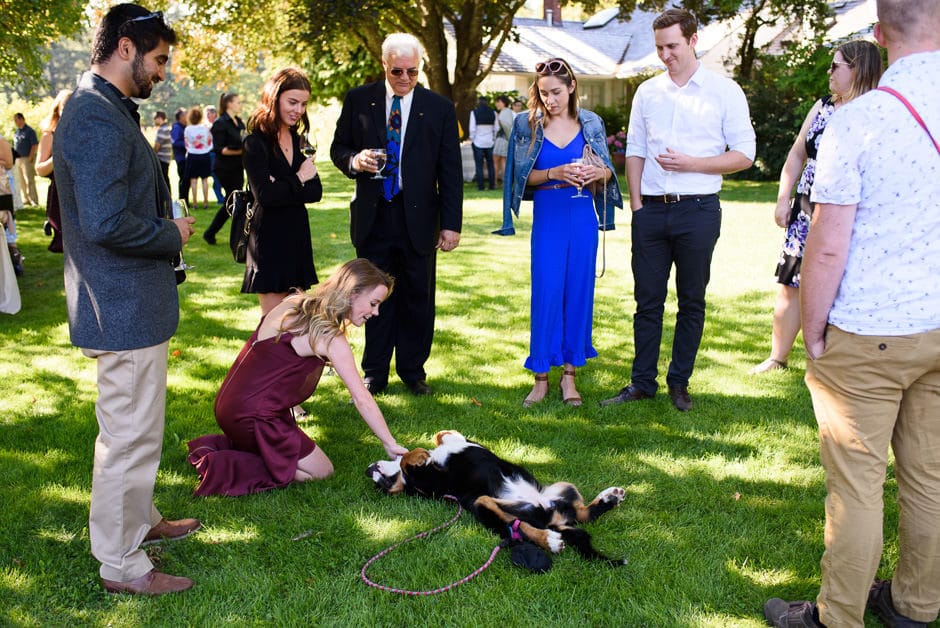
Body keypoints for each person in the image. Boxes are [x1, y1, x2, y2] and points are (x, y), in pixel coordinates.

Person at [763, 1, 940, 626]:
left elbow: (828, 241)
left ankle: (836, 617)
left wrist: (811, 327)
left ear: (881, 34)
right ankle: (915, 606)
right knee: (929, 478)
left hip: (870, 327)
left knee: (858, 486)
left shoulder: (858, 119)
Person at [53, 4, 199, 596]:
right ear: (125, 48)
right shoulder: (92, 114)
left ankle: (139, 521)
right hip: (120, 308)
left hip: (134, 304)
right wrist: (173, 233)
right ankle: (121, 564)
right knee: (127, 438)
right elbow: (107, 221)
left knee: (142, 432)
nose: (162, 71)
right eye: (159, 58)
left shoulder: (106, 108)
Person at [600, 8, 755, 412]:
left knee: (692, 300)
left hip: (699, 210)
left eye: (671, 46)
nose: (665, 55)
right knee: (646, 301)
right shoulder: (648, 92)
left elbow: (745, 155)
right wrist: (636, 205)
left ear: (692, 40)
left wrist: (694, 164)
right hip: (650, 211)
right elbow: (633, 150)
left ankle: (679, 382)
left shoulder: (724, 91)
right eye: (659, 47)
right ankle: (641, 383)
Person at [187, 258, 410, 496]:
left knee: (301, 459)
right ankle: (222, 466)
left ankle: (252, 450)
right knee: (321, 472)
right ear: (353, 292)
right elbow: (361, 398)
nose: (376, 313)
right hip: (255, 417)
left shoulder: (293, 302)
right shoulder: (330, 336)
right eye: (374, 303)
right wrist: (389, 442)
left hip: (228, 405)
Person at [330, 32, 463, 397]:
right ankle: (375, 372)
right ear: (384, 66)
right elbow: (338, 148)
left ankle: (412, 370)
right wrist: (354, 160)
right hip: (375, 217)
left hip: (419, 219)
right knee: (373, 298)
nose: (405, 79)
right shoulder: (359, 100)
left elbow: (450, 171)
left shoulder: (438, 108)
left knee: (418, 297)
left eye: (412, 72)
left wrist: (451, 225)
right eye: (397, 72)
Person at [750, 41, 882, 375]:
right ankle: (777, 357)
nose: (829, 71)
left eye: (836, 66)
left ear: (858, 69)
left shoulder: (877, 112)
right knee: (791, 281)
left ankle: (834, 360)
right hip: (808, 207)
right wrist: (784, 198)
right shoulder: (823, 106)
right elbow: (797, 154)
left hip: (851, 211)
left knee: (839, 283)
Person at [502, 58, 622, 407]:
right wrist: (555, 172)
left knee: (579, 294)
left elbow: (607, 173)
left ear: (572, 88)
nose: (550, 99)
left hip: (582, 215)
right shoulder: (529, 126)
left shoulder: (592, 123)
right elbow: (519, 180)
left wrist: (596, 174)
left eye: (556, 92)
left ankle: (570, 377)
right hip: (549, 217)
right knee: (547, 292)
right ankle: (540, 377)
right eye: (544, 93)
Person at [242, 68, 322, 315]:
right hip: (269, 239)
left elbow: (315, 192)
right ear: (274, 98)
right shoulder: (255, 143)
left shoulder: (301, 142)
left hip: (297, 236)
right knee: (273, 325)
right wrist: (298, 178)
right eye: (293, 102)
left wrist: (282, 185)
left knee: (297, 322)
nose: (298, 110)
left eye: (304, 104)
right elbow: (265, 196)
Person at [203, 91, 246, 245]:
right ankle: (237, 237)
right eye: (238, 102)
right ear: (229, 104)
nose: (240, 104)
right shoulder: (220, 124)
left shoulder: (239, 122)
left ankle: (211, 233)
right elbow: (221, 149)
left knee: (234, 201)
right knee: (235, 201)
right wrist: (243, 150)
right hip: (224, 168)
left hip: (237, 167)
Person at [35, 89, 73, 254]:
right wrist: (57, 155)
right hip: (60, 195)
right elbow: (40, 169)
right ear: (57, 109)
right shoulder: (49, 136)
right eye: (65, 106)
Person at [183, 106, 213, 210]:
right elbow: (210, 142)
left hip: (192, 155)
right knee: (205, 180)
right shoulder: (205, 128)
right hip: (204, 155)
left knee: (193, 180)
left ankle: (195, 203)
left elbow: (186, 143)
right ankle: (206, 203)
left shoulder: (187, 129)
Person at [469, 95, 497, 191]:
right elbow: (496, 129)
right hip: (490, 142)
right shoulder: (493, 113)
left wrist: (472, 139)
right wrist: (493, 139)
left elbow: (472, 129)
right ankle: (492, 185)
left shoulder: (474, 113)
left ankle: (481, 186)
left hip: (478, 142)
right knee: (491, 164)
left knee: (479, 165)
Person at [12, 113, 39, 207]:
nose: (15, 122)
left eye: (16, 120)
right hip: (17, 159)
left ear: (22, 119)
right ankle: (26, 199)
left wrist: (30, 157)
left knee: (29, 180)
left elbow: (34, 145)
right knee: (21, 180)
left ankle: (33, 200)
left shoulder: (29, 131)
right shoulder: (17, 132)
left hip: (27, 158)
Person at [204, 105, 225, 204]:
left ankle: (221, 198)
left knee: (218, 175)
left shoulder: (219, 124)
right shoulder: (204, 126)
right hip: (207, 153)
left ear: (214, 114)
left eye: (210, 113)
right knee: (213, 175)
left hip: (216, 153)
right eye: (207, 114)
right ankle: (220, 197)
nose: (208, 116)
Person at [492, 95, 513, 186]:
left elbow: (507, 125)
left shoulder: (506, 112)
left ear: (504, 102)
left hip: (502, 138)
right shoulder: (505, 112)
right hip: (504, 139)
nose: (497, 104)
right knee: (503, 160)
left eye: (499, 101)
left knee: (496, 160)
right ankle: (505, 182)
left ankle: (495, 182)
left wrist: (498, 119)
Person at [170, 107, 188, 202]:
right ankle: (183, 200)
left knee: (186, 180)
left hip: (186, 158)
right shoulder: (177, 128)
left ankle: (186, 200)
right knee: (183, 179)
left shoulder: (185, 127)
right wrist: (188, 145)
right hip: (181, 158)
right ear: (181, 117)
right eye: (186, 114)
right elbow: (176, 142)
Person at [152, 110, 172, 191]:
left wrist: (152, 155)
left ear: (160, 118)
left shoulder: (162, 129)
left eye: (155, 118)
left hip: (162, 158)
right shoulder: (166, 128)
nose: (154, 120)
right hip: (166, 158)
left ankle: (166, 198)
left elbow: (157, 146)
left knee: (163, 179)